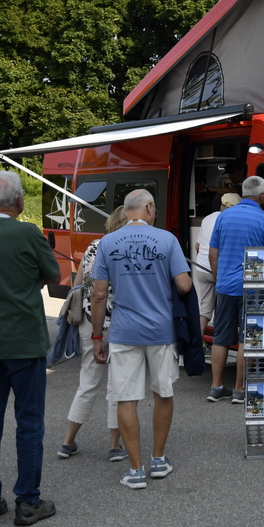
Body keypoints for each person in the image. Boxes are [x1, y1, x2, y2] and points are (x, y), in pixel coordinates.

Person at [0, 170, 60, 526]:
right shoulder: (27, 232)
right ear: (19, 201)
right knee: (29, 422)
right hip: (22, 340)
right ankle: (28, 501)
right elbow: (53, 274)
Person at [91, 189, 192, 489]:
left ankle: (135, 470)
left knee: (126, 398)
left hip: (124, 331)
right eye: (155, 208)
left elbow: (98, 294)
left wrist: (98, 337)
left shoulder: (107, 242)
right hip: (160, 330)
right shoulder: (167, 240)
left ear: (126, 210)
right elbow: (185, 285)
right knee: (163, 393)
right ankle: (158, 459)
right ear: (149, 207)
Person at [57, 206, 129, 462]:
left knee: (88, 383)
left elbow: (80, 286)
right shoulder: (127, 248)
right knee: (117, 385)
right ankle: (114, 445)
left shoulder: (93, 247)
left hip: (90, 321)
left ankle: (68, 441)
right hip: (120, 323)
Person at [206, 176, 264, 403]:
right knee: (248, 340)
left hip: (225, 286)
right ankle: (239, 390)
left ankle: (216, 387)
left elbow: (212, 253)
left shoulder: (223, 217)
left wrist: (220, 279)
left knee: (220, 338)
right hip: (252, 289)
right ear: (262, 195)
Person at [195, 193, 241, 336]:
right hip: (218, 269)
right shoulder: (231, 220)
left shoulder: (207, 218)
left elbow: (197, 246)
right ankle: (222, 342)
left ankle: (197, 346)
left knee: (204, 310)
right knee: (224, 309)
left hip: (201, 269)